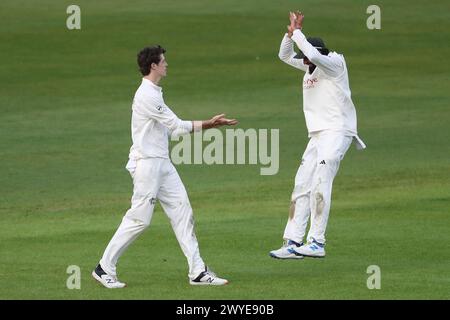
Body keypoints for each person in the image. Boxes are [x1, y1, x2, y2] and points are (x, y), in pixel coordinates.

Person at [92, 45, 237, 288]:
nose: (167, 64)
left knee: (183, 212)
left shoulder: (155, 92)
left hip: (163, 163)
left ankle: (197, 271)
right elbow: (176, 125)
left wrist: (209, 126)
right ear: (154, 66)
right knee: (140, 219)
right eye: (164, 61)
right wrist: (211, 124)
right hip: (147, 164)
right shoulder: (146, 95)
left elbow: (171, 130)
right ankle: (104, 267)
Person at [270, 12, 366, 259]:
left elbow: (311, 54)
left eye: (308, 58)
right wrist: (289, 34)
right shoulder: (310, 64)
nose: (305, 63)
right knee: (302, 184)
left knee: (321, 181)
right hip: (317, 135)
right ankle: (292, 242)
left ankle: (317, 242)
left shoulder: (334, 62)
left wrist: (299, 33)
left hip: (338, 131)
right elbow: (284, 55)